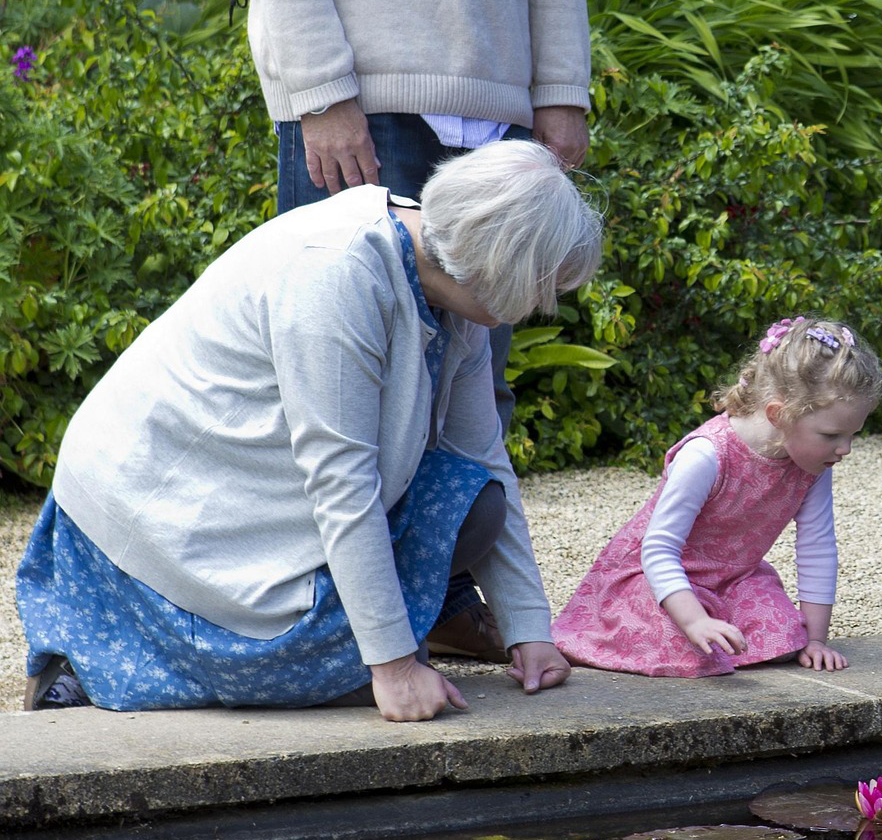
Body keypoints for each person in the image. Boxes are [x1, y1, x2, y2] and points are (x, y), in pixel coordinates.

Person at [16, 141, 603, 721]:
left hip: (250, 493)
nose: (547, 303)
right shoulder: (336, 272)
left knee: (478, 505)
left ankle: (378, 640)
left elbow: (482, 457)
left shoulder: (454, 284)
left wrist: (528, 629)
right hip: (156, 515)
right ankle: (85, 664)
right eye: (546, 284)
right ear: (503, 266)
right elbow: (342, 482)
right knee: (355, 676)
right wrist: (393, 666)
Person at [247, 0, 593, 662]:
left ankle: (431, 600)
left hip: (500, 98)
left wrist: (559, 86)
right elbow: (331, 451)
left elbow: (480, 442)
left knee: (473, 393)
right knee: (325, 407)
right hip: (365, 90)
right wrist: (320, 88)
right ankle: (304, 617)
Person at [551, 317, 882, 678]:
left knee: (786, 635)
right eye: (832, 434)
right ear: (778, 415)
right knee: (688, 648)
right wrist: (694, 621)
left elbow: (817, 546)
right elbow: (658, 550)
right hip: (658, 579)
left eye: (852, 434)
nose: (845, 449)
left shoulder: (813, 465)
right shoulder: (706, 456)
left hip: (734, 578)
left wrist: (817, 640)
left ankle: (720, 625)